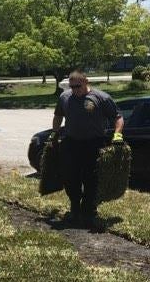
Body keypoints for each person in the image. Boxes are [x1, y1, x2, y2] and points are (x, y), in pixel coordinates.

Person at [52, 70, 124, 227]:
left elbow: (118, 117)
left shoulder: (101, 98)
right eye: (72, 86)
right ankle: (75, 209)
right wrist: (55, 132)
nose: (75, 89)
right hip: (72, 143)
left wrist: (117, 135)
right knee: (71, 178)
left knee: (91, 179)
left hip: (94, 144)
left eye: (77, 86)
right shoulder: (65, 97)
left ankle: (89, 211)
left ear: (86, 82)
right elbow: (58, 115)